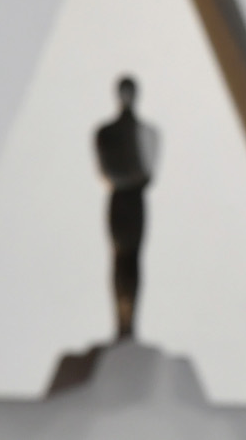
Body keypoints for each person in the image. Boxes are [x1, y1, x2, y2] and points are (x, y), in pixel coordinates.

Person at [94, 74, 159, 341]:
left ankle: (130, 322)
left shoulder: (148, 133)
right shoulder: (105, 133)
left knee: (133, 261)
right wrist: (129, 178)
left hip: (134, 201)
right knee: (120, 259)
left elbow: (148, 173)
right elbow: (107, 171)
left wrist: (131, 178)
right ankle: (121, 322)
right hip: (120, 200)